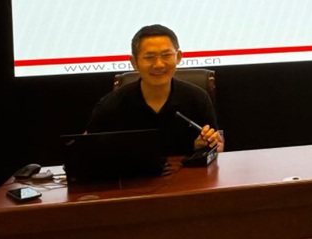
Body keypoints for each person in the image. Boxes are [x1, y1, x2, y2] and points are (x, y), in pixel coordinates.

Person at [86, 24, 223, 156]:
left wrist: (210, 144)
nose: (158, 64)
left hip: (187, 172)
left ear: (178, 57)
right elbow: (89, 152)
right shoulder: (110, 105)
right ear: (134, 62)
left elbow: (215, 147)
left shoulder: (197, 99)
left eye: (166, 55)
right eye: (149, 57)